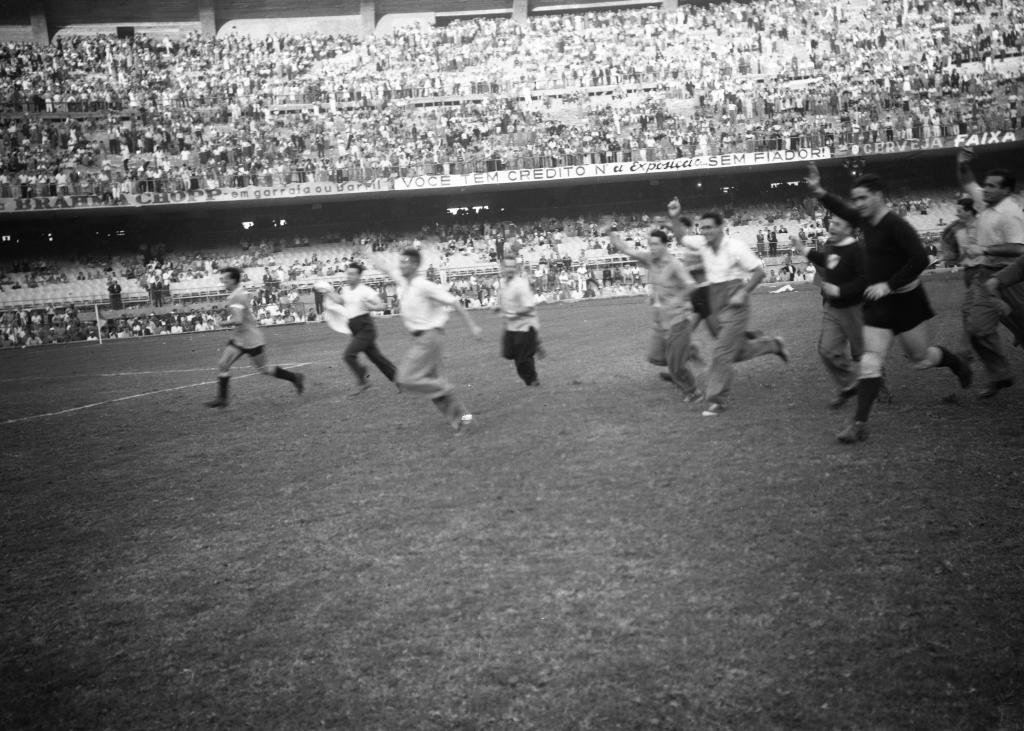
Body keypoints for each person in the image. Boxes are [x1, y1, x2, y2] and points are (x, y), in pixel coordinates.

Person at [804, 165, 971, 443]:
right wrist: (820, 191)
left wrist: (888, 284)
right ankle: (859, 424)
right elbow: (843, 210)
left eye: (862, 198)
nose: (857, 204)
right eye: (855, 199)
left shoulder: (897, 225)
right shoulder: (866, 220)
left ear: (879, 196)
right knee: (870, 360)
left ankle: (955, 362)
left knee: (920, 358)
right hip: (877, 303)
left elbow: (919, 260)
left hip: (906, 300)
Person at [666, 206, 789, 416]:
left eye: (709, 228)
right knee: (736, 351)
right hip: (715, 299)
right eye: (702, 228)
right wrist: (675, 216)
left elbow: (759, 272)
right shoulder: (702, 244)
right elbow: (681, 238)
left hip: (735, 300)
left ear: (721, 227)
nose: (705, 231)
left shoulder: (735, 247)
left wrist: (744, 292)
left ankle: (717, 400)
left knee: (722, 352)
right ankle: (773, 344)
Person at [372, 248, 482, 434]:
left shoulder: (424, 285)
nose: (401, 265)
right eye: (401, 261)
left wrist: (473, 326)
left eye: (405, 262)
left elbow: (454, 302)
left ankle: (445, 388)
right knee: (430, 386)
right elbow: (386, 269)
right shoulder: (403, 282)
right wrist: (368, 253)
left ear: (415, 265)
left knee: (405, 378)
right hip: (423, 338)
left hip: (430, 337)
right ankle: (464, 420)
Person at [603, 223, 701, 400]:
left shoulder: (674, 264)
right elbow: (626, 249)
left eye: (656, 244)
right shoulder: (650, 259)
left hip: (678, 319)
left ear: (665, 245)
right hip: (661, 320)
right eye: (650, 244)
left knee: (675, 366)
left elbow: (691, 285)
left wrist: (678, 300)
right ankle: (686, 353)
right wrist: (611, 234)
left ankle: (693, 392)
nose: (652, 248)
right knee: (655, 357)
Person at [956, 151, 1024, 397]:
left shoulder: (1011, 214)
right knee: (975, 325)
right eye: (985, 184)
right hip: (985, 276)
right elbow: (966, 181)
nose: (985, 189)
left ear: (1006, 191)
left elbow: (1019, 249)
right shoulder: (984, 201)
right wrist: (962, 163)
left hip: (1013, 278)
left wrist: (983, 248)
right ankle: (1000, 375)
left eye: (992, 186)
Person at [790, 219, 868, 408]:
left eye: (838, 224)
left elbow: (865, 281)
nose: (831, 227)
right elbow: (824, 261)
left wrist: (840, 291)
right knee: (827, 350)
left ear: (849, 229)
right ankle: (849, 385)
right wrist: (802, 248)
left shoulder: (859, 251)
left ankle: (877, 387)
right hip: (833, 307)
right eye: (831, 223)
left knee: (862, 353)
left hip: (855, 308)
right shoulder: (831, 247)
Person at [206, 267, 304, 408]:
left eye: (225, 279)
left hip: (251, 339)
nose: (223, 282)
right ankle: (222, 399)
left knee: (264, 369)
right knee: (223, 364)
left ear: (233, 280)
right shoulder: (236, 293)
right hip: (240, 338)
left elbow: (238, 319)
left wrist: (222, 322)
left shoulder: (236, 296)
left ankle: (295, 377)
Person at [318, 262, 397, 396]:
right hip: (355, 328)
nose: (349, 276)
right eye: (348, 273)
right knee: (377, 358)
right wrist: (328, 291)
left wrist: (371, 307)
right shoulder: (345, 289)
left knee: (349, 355)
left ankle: (363, 381)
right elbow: (341, 302)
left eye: (352, 274)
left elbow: (382, 305)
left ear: (359, 276)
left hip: (365, 327)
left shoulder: (365, 290)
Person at [494, 254, 542, 386]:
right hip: (510, 326)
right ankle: (534, 346)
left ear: (516, 268)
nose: (510, 269)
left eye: (512, 267)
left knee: (522, 358)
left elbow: (528, 307)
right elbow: (501, 300)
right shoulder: (502, 283)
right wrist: (497, 307)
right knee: (508, 353)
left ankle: (532, 380)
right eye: (507, 267)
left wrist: (514, 313)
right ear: (502, 268)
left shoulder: (521, 285)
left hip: (525, 326)